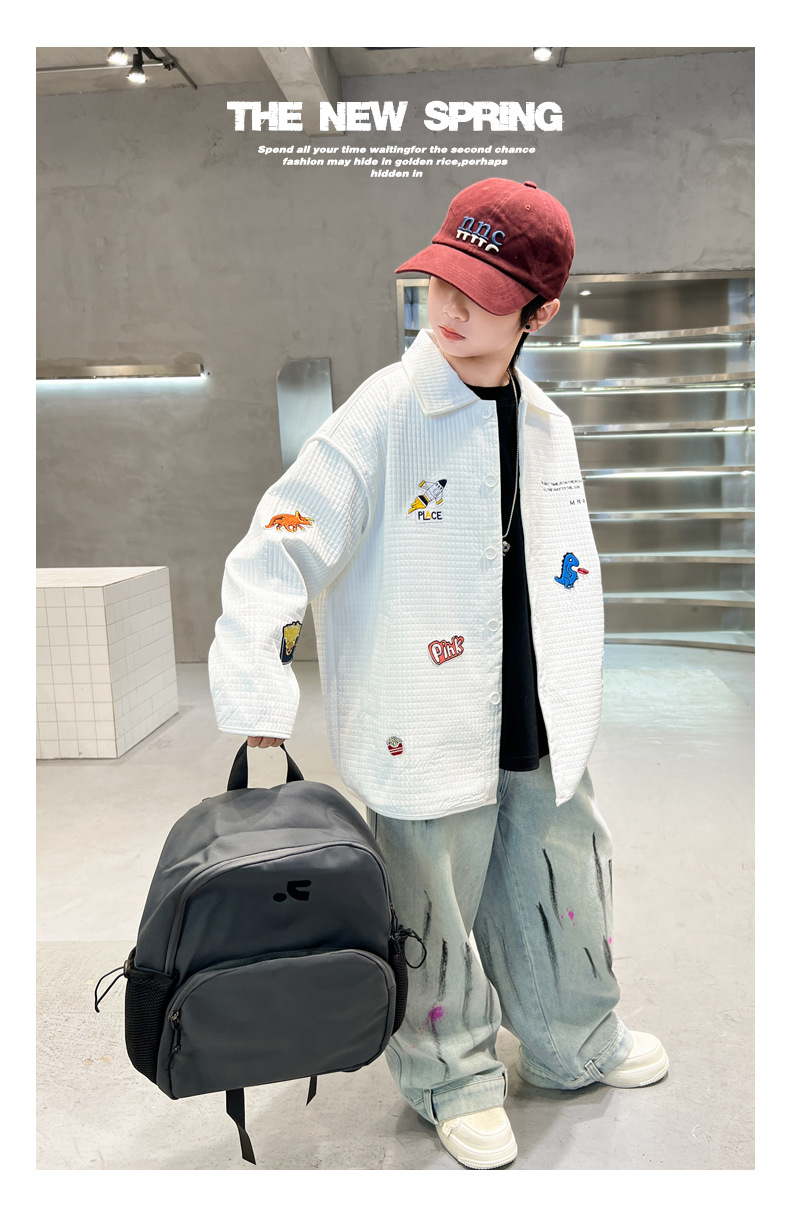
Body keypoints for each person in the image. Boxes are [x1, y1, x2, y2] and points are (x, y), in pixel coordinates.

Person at [208, 178, 668, 1170]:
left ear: (539, 312)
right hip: (423, 716)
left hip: (538, 715)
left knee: (562, 880)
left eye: (481, 294)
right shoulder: (383, 410)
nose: (448, 308)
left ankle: (574, 1039)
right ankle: (451, 1076)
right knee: (433, 911)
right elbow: (279, 541)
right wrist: (258, 689)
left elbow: (563, 566)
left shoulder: (548, 425)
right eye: (440, 282)